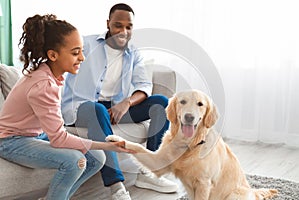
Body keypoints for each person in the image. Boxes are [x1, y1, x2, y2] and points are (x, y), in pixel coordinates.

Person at [0, 14, 134, 200]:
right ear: (53, 55)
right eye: (75, 52)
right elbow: (59, 139)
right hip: (10, 141)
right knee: (75, 161)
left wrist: (103, 148)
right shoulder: (43, 85)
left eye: (81, 50)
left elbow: (55, 131)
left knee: (97, 158)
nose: (82, 57)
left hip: (34, 134)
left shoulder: (52, 76)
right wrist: (108, 145)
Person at [61, 3, 178, 200]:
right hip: (81, 108)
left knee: (161, 103)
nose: (123, 31)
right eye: (118, 25)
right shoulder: (86, 44)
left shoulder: (134, 53)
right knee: (96, 109)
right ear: (108, 24)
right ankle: (116, 186)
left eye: (128, 27)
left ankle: (148, 172)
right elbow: (62, 63)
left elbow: (144, 85)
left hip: (115, 108)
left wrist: (126, 103)